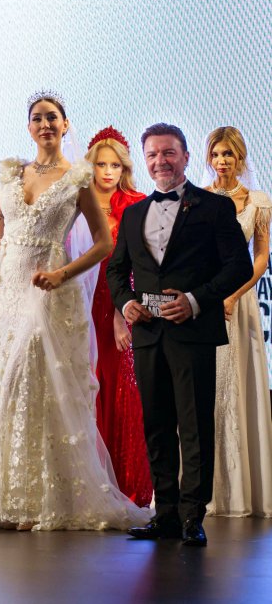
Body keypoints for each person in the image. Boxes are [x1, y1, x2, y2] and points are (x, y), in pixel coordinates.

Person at [0, 92, 151, 531]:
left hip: (49, 290)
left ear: (65, 125)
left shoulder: (78, 178)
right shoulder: (12, 175)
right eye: (37, 118)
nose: (45, 124)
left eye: (52, 117)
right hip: (5, 289)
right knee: (2, 383)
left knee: (30, 377)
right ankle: (3, 495)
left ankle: (42, 496)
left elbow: (104, 244)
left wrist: (62, 273)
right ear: (28, 127)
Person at [107, 122, 252, 546]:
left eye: (168, 153)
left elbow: (239, 267)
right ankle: (165, 514)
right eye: (152, 155)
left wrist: (194, 300)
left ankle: (193, 516)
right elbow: (117, 270)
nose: (160, 161)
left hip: (193, 333)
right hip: (148, 335)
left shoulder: (214, 207)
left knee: (194, 426)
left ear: (186, 157)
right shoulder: (134, 213)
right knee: (156, 425)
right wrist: (126, 303)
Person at [202, 126, 272, 517]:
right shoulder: (198, 198)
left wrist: (232, 296)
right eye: (216, 154)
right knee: (205, 387)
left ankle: (239, 492)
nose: (222, 161)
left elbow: (260, 257)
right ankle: (203, 490)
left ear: (240, 157)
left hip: (239, 301)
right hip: (204, 300)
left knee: (235, 384)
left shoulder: (257, 202)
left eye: (228, 154)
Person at [81, 127, 152, 507]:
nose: (108, 172)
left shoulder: (137, 204)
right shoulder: (78, 202)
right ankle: (90, 484)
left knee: (124, 391)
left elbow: (144, 265)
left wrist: (122, 312)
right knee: (87, 386)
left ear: (124, 168)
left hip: (122, 306)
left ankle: (129, 488)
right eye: (101, 164)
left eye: (115, 165)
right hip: (83, 303)